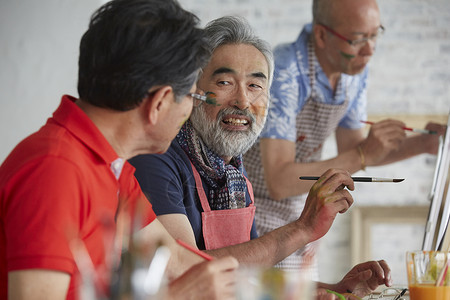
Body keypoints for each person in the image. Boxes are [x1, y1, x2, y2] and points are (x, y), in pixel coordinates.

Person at [130, 15, 393, 299]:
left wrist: (334, 289)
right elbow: (185, 276)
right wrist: (303, 228)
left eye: (255, 86)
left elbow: (251, 280)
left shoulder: (235, 174)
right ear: (193, 91)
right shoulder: (155, 162)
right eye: (225, 82)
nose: (242, 101)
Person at [0, 0, 239, 299]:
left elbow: (173, 260)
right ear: (161, 102)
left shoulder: (111, 164)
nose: (190, 108)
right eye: (193, 96)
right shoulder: (55, 170)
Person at [243, 0, 446, 271]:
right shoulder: (285, 70)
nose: (369, 49)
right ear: (322, 35)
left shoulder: (352, 70)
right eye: (357, 39)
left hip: (302, 210)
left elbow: (353, 149)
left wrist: (425, 143)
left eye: (375, 35)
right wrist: (362, 155)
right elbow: (278, 180)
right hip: (256, 214)